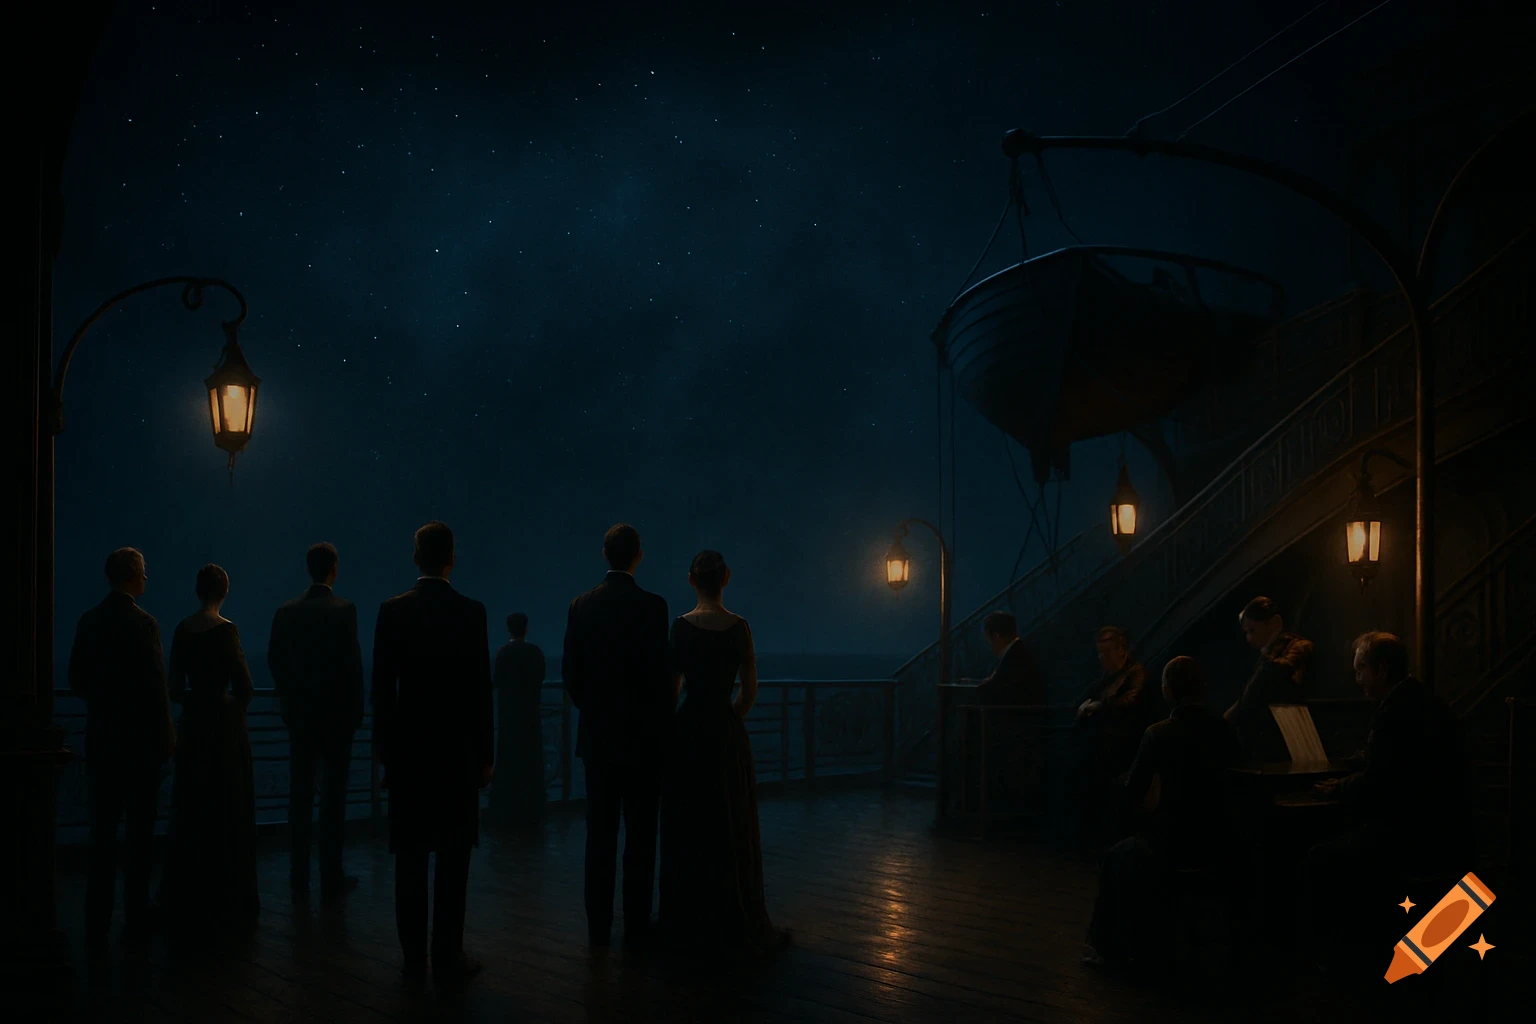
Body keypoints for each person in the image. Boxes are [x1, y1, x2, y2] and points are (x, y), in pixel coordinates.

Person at [372, 521, 494, 987]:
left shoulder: (392, 611)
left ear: (415, 556)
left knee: (410, 858)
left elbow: (383, 693)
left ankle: (412, 957)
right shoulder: (472, 613)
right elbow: (481, 692)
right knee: (453, 858)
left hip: (409, 756)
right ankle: (447, 954)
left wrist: (386, 755)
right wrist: (485, 755)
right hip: (458, 755)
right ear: (451, 559)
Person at [1305, 632, 1465, 971]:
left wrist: (1336, 787)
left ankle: (1343, 960)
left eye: (1361, 669)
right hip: (1446, 830)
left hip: (1410, 834)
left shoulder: (1393, 712)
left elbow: (1377, 781)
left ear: (1380, 670)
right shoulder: (1427, 702)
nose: (1357, 679)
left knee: (1320, 856)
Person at [658, 551, 789, 953]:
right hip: (725, 732)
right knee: (730, 819)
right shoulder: (739, 628)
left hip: (689, 732)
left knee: (690, 820)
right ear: (726, 579)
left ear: (691, 580)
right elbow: (748, 691)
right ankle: (732, 909)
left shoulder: (680, 627)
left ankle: (689, 912)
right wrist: (728, 717)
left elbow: (671, 690)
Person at [1084, 655, 1241, 971]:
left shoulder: (1159, 733)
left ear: (1167, 690)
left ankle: (1113, 949)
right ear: (1203, 687)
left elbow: (1133, 792)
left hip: (1169, 844)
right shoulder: (1224, 729)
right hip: (1216, 841)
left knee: (1115, 855)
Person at [562, 523, 671, 949]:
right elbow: (661, 677)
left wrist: (595, 709)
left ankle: (599, 925)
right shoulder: (654, 607)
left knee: (600, 837)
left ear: (605, 554)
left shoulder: (581, 606)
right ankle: (638, 923)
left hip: (599, 740)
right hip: (643, 741)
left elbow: (571, 675)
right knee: (641, 836)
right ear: (638, 555)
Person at [69, 547, 175, 949]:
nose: (147, 578)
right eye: (143, 572)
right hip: (139, 748)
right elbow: (157, 687)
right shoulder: (145, 624)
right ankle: (135, 913)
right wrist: (166, 738)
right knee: (140, 835)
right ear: (132, 575)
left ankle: (96, 919)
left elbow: (77, 679)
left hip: (102, 742)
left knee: (101, 835)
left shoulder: (89, 621)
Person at [159, 563, 260, 937]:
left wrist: (194, 702)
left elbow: (173, 688)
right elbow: (244, 687)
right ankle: (226, 894)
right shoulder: (227, 630)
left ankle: (189, 892)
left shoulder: (182, 630)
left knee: (192, 807)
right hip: (224, 731)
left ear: (197, 590)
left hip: (194, 730)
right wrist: (226, 704)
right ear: (224, 591)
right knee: (227, 807)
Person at [268, 542, 365, 905]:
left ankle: (298, 875)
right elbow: (352, 667)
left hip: (301, 718)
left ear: (309, 568)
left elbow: (276, 660)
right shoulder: (345, 611)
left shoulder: (286, 611)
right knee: (333, 798)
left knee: (300, 795)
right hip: (337, 719)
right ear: (334, 569)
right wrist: (355, 712)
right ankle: (331, 875)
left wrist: (290, 700)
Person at [1072, 626, 1150, 846]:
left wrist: (1098, 707)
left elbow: (1129, 702)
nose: (1102, 657)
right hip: (1103, 747)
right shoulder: (1106, 677)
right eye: (1100, 653)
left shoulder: (1135, 673)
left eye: (1106, 652)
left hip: (1121, 749)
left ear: (1121, 650)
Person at [1223, 596, 1313, 763]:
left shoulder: (1298, 647)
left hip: (1286, 736)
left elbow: (1279, 673)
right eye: (1246, 632)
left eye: (1252, 631)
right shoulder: (1263, 656)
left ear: (1273, 623)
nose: (1249, 639)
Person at [491, 612, 548, 825]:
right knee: (531, 761)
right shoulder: (535, 652)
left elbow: (497, 681)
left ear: (509, 629)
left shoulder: (503, 653)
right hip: (530, 716)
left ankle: (507, 808)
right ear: (526, 628)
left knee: (508, 762)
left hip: (509, 718)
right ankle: (532, 807)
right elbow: (540, 677)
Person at [960, 610, 1046, 705]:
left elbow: (998, 686)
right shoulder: (1018, 651)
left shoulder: (1014, 658)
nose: (989, 645)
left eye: (987, 640)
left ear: (996, 636)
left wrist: (971, 688)